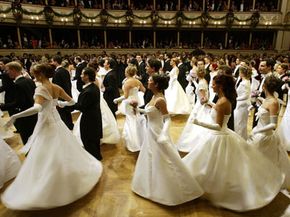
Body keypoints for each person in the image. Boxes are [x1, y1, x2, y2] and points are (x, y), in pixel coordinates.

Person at [1, 63, 102, 210]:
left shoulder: (41, 88)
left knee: (47, 155)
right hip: (58, 123)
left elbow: (37, 108)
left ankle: (51, 185)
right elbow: (72, 101)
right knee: (62, 151)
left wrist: (15, 116)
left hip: (47, 126)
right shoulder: (56, 87)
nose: (33, 76)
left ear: (40, 74)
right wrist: (59, 104)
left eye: (34, 74)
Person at [182, 74, 284, 211]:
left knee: (208, 164)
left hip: (218, 136)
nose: (211, 86)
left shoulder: (222, 102)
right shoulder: (223, 101)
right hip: (222, 135)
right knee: (210, 164)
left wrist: (198, 122)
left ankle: (206, 188)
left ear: (220, 86)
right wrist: (210, 104)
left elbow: (218, 126)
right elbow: (220, 114)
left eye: (213, 84)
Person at [132, 74, 203, 206]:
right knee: (151, 157)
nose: (148, 80)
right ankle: (151, 185)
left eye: (150, 80)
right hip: (150, 132)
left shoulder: (160, 100)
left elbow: (167, 119)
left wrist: (164, 134)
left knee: (165, 159)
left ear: (156, 84)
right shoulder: (154, 96)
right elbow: (150, 112)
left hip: (158, 132)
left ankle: (175, 188)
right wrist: (137, 109)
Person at [248, 75, 290, 188]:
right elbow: (264, 111)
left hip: (264, 136)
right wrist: (257, 102)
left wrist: (257, 131)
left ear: (264, 86)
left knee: (262, 160)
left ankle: (262, 183)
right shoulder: (267, 99)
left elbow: (273, 124)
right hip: (258, 132)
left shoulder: (273, 102)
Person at [0, 61, 37, 145]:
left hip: (24, 116)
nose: (7, 72)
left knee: (27, 138)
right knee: (34, 137)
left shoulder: (18, 84)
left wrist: (3, 106)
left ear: (13, 70)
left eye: (8, 70)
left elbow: (19, 103)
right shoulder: (29, 80)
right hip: (33, 114)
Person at [72, 67, 103, 160]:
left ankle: (94, 161)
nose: (81, 76)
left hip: (89, 119)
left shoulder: (89, 91)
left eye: (82, 74)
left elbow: (81, 106)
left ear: (87, 76)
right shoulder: (93, 87)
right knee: (94, 141)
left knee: (88, 140)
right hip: (94, 117)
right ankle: (97, 158)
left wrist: (68, 104)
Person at [113, 65, 145, 152]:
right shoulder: (138, 81)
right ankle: (141, 138)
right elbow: (144, 90)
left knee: (131, 119)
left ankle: (134, 141)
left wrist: (117, 100)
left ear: (127, 72)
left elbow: (126, 96)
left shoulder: (127, 82)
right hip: (137, 100)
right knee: (136, 118)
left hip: (129, 102)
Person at [51, 55, 74, 130]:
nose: (52, 63)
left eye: (52, 61)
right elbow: (69, 84)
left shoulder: (57, 72)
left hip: (61, 95)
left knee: (63, 113)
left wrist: (56, 97)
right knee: (67, 112)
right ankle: (70, 125)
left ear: (56, 62)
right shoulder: (65, 71)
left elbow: (57, 87)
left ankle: (67, 127)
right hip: (67, 93)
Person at [234, 66, 251, 139]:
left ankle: (240, 138)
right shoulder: (245, 81)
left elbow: (246, 95)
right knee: (239, 121)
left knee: (240, 122)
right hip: (241, 104)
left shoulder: (244, 83)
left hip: (242, 104)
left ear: (242, 73)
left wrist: (236, 99)